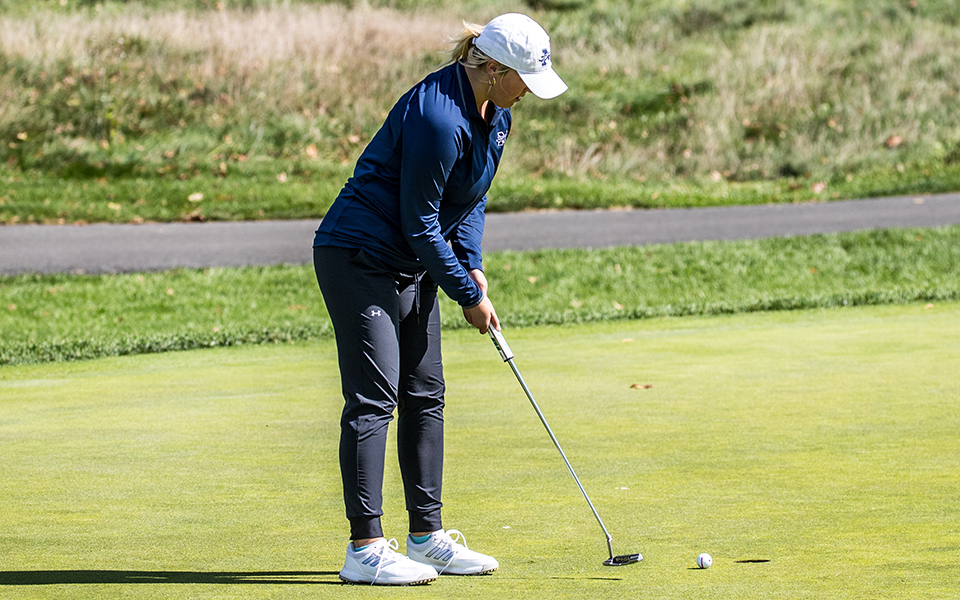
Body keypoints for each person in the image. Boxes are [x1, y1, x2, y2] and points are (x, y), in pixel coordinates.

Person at [313, 13, 567, 586]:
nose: (527, 90)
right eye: (522, 78)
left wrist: (472, 265)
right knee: (375, 398)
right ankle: (366, 547)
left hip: (410, 260)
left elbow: (469, 198)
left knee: (426, 392)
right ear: (494, 68)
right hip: (359, 254)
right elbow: (421, 222)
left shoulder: (497, 113)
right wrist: (465, 296)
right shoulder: (437, 115)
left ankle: (426, 538)